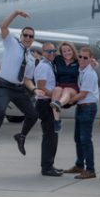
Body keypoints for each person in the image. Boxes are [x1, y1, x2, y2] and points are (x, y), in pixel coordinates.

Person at [0, 10, 39, 156]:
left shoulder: (31, 59)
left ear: (33, 39)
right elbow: (3, 26)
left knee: (33, 115)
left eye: (30, 36)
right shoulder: (11, 43)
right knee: (0, 111)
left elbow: (26, 79)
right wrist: (15, 13)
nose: (27, 38)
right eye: (25, 35)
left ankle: (21, 136)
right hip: (3, 86)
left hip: (18, 89)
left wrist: (34, 90)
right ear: (21, 36)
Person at [69, 46, 100, 179]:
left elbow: (82, 94)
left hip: (87, 107)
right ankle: (80, 164)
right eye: (80, 57)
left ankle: (90, 169)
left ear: (90, 59)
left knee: (85, 139)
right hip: (81, 107)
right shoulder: (80, 70)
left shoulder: (89, 73)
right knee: (77, 138)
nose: (81, 59)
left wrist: (66, 101)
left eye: (85, 58)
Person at [34, 43, 63, 177]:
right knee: (49, 136)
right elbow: (41, 87)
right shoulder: (43, 66)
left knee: (53, 135)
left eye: (53, 51)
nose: (51, 53)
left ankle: (49, 164)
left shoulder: (49, 65)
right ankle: (46, 167)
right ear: (43, 52)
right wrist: (57, 96)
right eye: (48, 51)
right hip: (45, 103)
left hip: (49, 102)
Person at [49, 41, 81, 131]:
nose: (67, 53)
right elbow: (47, 57)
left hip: (73, 87)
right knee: (56, 89)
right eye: (64, 51)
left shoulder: (78, 61)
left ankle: (59, 104)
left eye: (69, 50)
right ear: (61, 53)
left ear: (73, 50)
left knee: (66, 90)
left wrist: (95, 65)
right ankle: (57, 120)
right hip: (60, 85)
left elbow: (89, 64)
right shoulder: (58, 59)